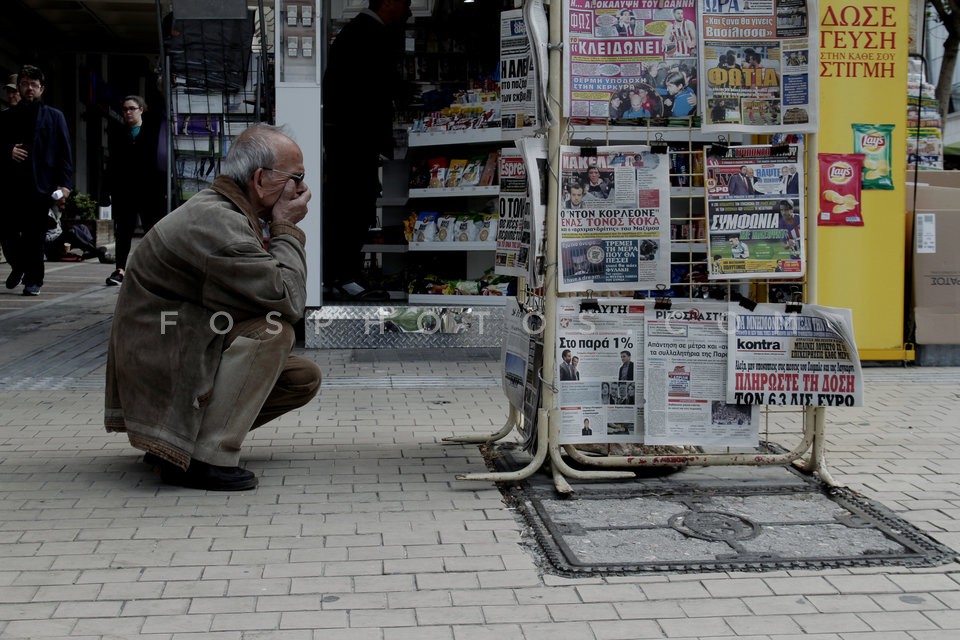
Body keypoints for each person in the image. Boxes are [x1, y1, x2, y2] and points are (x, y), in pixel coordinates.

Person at [104, 124, 322, 491]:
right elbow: (289, 299)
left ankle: (175, 444)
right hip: (163, 354)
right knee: (273, 333)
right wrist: (286, 227)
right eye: (295, 177)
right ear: (260, 179)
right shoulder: (220, 223)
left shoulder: (225, 211)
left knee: (301, 377)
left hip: (171, 344)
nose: (301, 189)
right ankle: (203, 459)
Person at [322, 0, 411, 299]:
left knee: (349, 204)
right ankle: (343, 274)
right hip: (354, 138)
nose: (407, 10)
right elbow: (376, 89)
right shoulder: (369, 33)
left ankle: (340, 273)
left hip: (347, 137)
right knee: (352, 206)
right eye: (404, 3)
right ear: (388, 2)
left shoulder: (355, 32)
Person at [0, 65, 74, 296]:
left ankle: (34, 280)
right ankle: (19, 266)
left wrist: (65, 185)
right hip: (10, 185)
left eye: (34, 85)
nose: (29, 88)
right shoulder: (7, 116)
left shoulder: (54, 116)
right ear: (19, 87)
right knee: (6, 231)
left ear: (41, 88)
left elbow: (65, 152)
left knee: (34, 236)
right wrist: (8, 150)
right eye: (24, 84)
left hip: (40, 185)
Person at [103, 95, 167, 286]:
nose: (128, 112)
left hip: (149, 191)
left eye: (132, 108)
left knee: (151, 231)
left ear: (141, 110)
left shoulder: (152, 132)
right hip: (124, 191)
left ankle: (151, 270)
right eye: (124, 109)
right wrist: (106, 191)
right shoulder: (117, 133)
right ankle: (120, 269)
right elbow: (111, 164)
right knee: (123, 232)